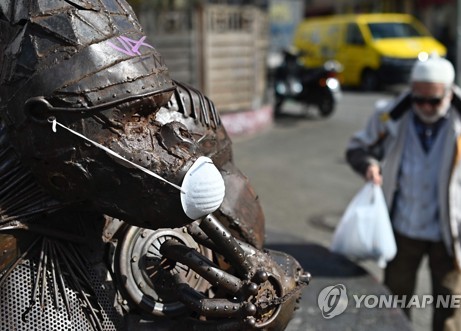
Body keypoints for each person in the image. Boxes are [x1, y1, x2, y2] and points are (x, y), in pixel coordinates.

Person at [0, 1, 308, 330]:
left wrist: (264, 301)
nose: (168, 135)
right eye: (132, 119)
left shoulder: (191, 122)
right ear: (47, 122)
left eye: (154, 109)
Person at [345, 53, 461, 331]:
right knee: (393, 303)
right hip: (403, 228)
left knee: (450, 308)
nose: (425, 106)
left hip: (452, 232)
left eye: (434, 100)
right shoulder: (391, 114)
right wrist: (369, 165)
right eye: (419, 99)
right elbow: (358, 148)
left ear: (450, 93)